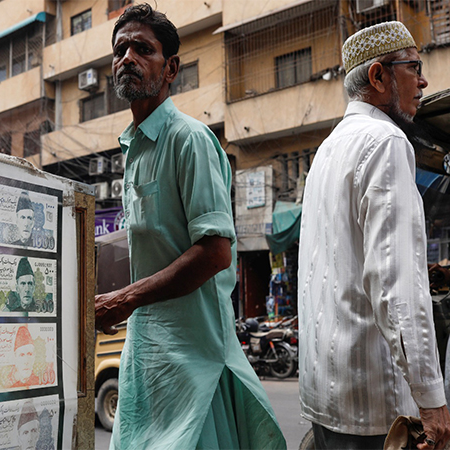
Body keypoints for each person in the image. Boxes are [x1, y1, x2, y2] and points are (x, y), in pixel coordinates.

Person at [94, 4, 285, 449]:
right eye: (120, 49)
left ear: (171, 67)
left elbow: (216, 252)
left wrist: (123, 299)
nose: (128, 58)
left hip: (196, 362)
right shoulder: (134, 149)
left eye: (143, 48)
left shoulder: (189, 139)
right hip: (150, 355)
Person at [298, 21, 450, 450]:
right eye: (413, 67)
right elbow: (397, 285)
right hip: (373, 409)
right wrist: (432, 399)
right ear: (379, 77)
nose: (423, 80)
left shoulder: (328, 150)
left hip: (327, 397)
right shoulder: (385, 141)